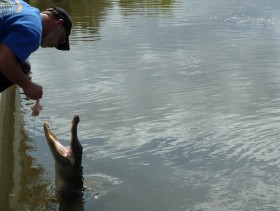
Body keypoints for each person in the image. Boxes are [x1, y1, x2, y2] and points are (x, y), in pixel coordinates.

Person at [0, 0, 72, 100]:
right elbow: (4, 58)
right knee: (24, 67)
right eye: (60, 40)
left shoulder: (21, 5)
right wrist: (27, 85)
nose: (55, 45)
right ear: (58, 23)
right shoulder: (33, 30)